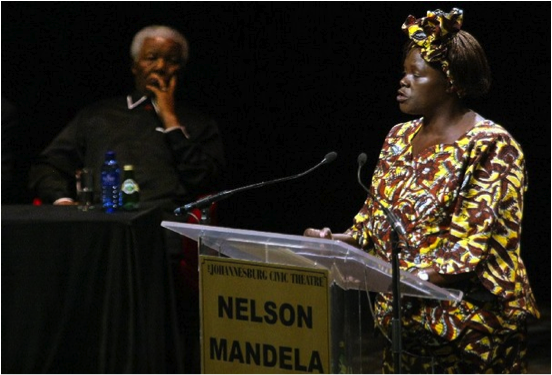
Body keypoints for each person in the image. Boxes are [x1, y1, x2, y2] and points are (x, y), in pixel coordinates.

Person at [304, 8, 540, 374]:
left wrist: (398, 277)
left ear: (451, 82)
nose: (404, 81)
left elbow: (466, 252)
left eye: (417, 73)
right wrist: (333, 241)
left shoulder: (491, 145)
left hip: (473, 335)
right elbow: (373, 228)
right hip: (405, 331)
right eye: (404, 72)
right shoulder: (398, 138)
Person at [28, 24, 225, 374]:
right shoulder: (99, 115)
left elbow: (204, 178)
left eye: (171, 61)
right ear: (135, 66)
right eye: (152, 58)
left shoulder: (198, 123)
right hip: (99, 239)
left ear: (182, 69)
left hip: (163, 247)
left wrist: (170, 118)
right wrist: (62, 202)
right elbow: (47, 166)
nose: (162, 68)